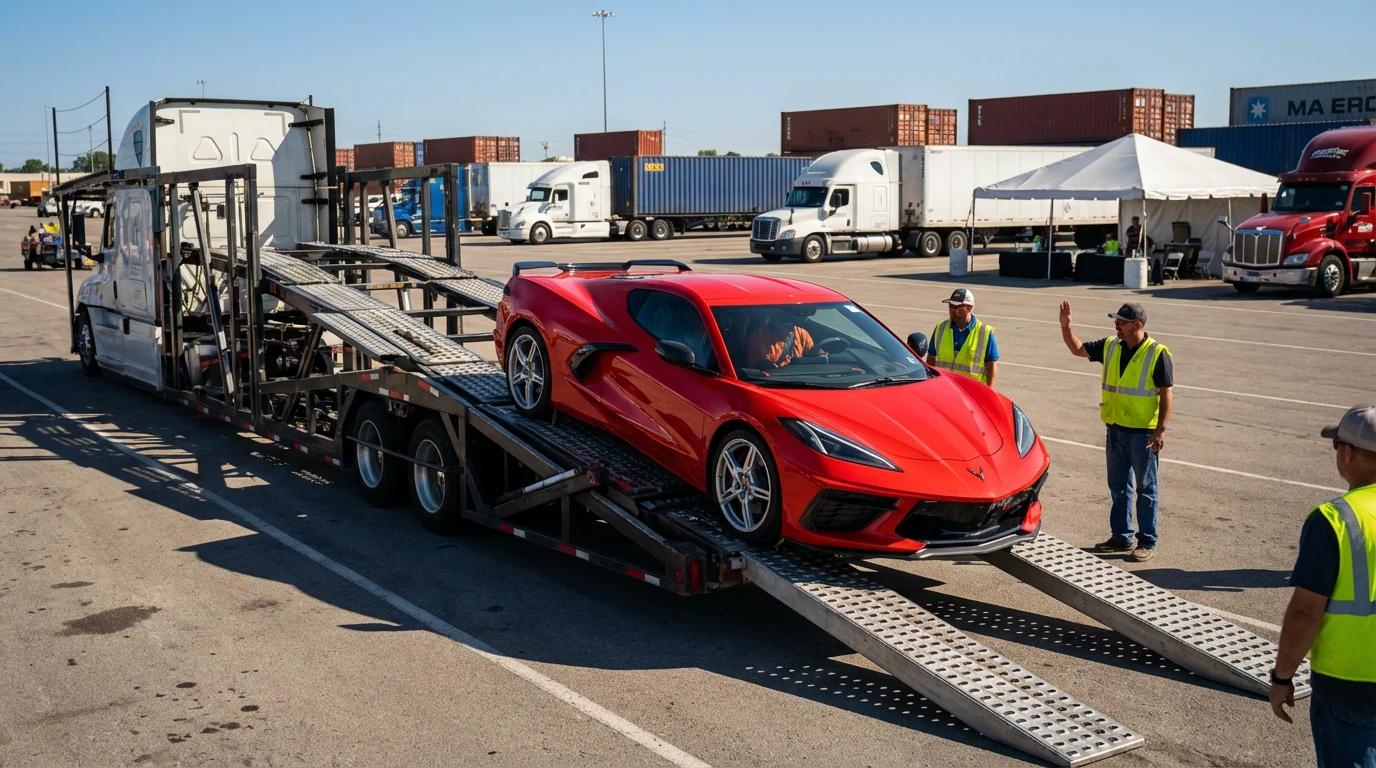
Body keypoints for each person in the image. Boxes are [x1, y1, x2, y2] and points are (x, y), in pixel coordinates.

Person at [1270, 406, 1376, 766]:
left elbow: (1304, 613)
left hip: (1350, 681)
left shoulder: (1334, 520)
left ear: (1347, 452)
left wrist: (1282, 677)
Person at [1058, 301, 1173, 561]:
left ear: (1138, 325)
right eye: (1116, 321)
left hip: (1143, 434)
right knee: (1119, 487)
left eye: (1121, 321)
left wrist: (1160, 430)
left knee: (1146, 488)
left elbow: (1167, 394)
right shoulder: (1111, 346)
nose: (1116, 325)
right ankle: (1121, 537)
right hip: (1116, 430)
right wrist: (1066, 326)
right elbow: (1078, 349)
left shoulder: (1157, 353)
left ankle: (1146, 541)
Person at [926, 288, 999, 387]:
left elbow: (991, 365)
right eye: (951, 306)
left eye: (959, 307)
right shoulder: (940, 328)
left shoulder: (985, 332)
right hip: (945, 389)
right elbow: (931, 359)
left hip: (971, 392)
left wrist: (990, 392)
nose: (955, 311)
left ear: (970, 308)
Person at [746, 312, 813, 369]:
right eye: (784, 319)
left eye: (792, 319)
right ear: (772, 319)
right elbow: (761, 369)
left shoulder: (801, 333)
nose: (790, 323)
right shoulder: (758, 339)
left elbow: (814, 355)